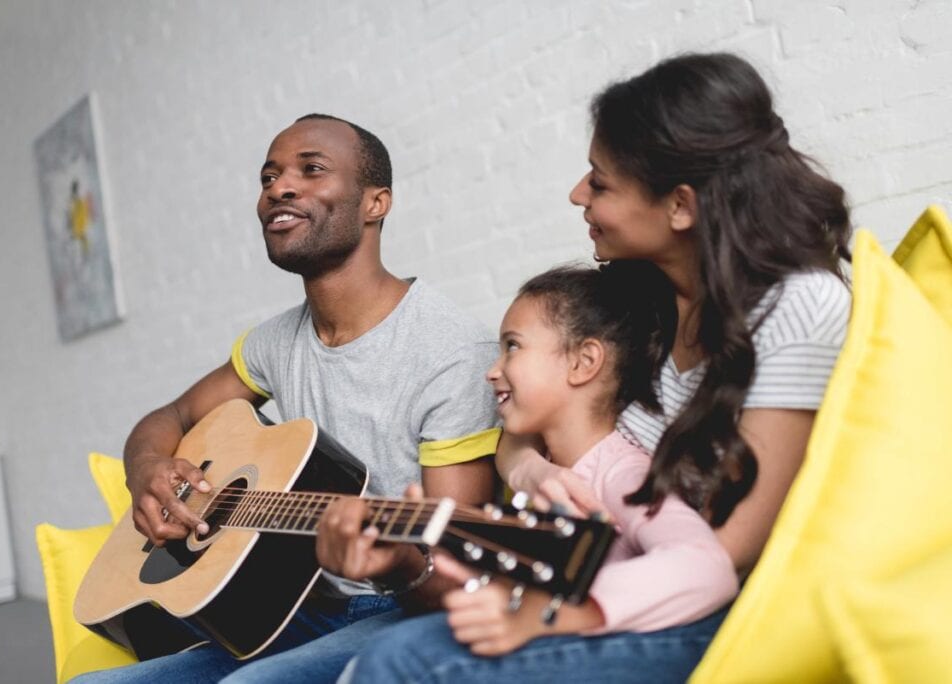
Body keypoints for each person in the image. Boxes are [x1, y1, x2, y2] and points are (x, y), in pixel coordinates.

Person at [345, 51, 853, 682]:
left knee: (404, 660)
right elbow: (523, 431)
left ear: (680, 206)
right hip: (615, 575)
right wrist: (531, 469)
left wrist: (557, 613)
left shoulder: (800, 306)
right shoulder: (644, 294)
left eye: (601, 182)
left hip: (722, 610)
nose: (577, 195)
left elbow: (729, 553)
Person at [72, 113, 500, 683]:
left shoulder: (452, 352)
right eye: (268, 176)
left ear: (376, 203)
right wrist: (147, 469)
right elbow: (170, 416)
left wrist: (390, 562)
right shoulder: (274, 343)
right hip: (296, 607)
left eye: (311, 169)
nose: (280, 187)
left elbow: (450, 569)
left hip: (402, 611)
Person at [347, 260, 740, 682]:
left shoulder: (621, 472)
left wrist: (567, 612)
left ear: (583, 362)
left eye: (512, 347)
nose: (491, 370)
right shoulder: (538, 467)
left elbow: (706, 564)